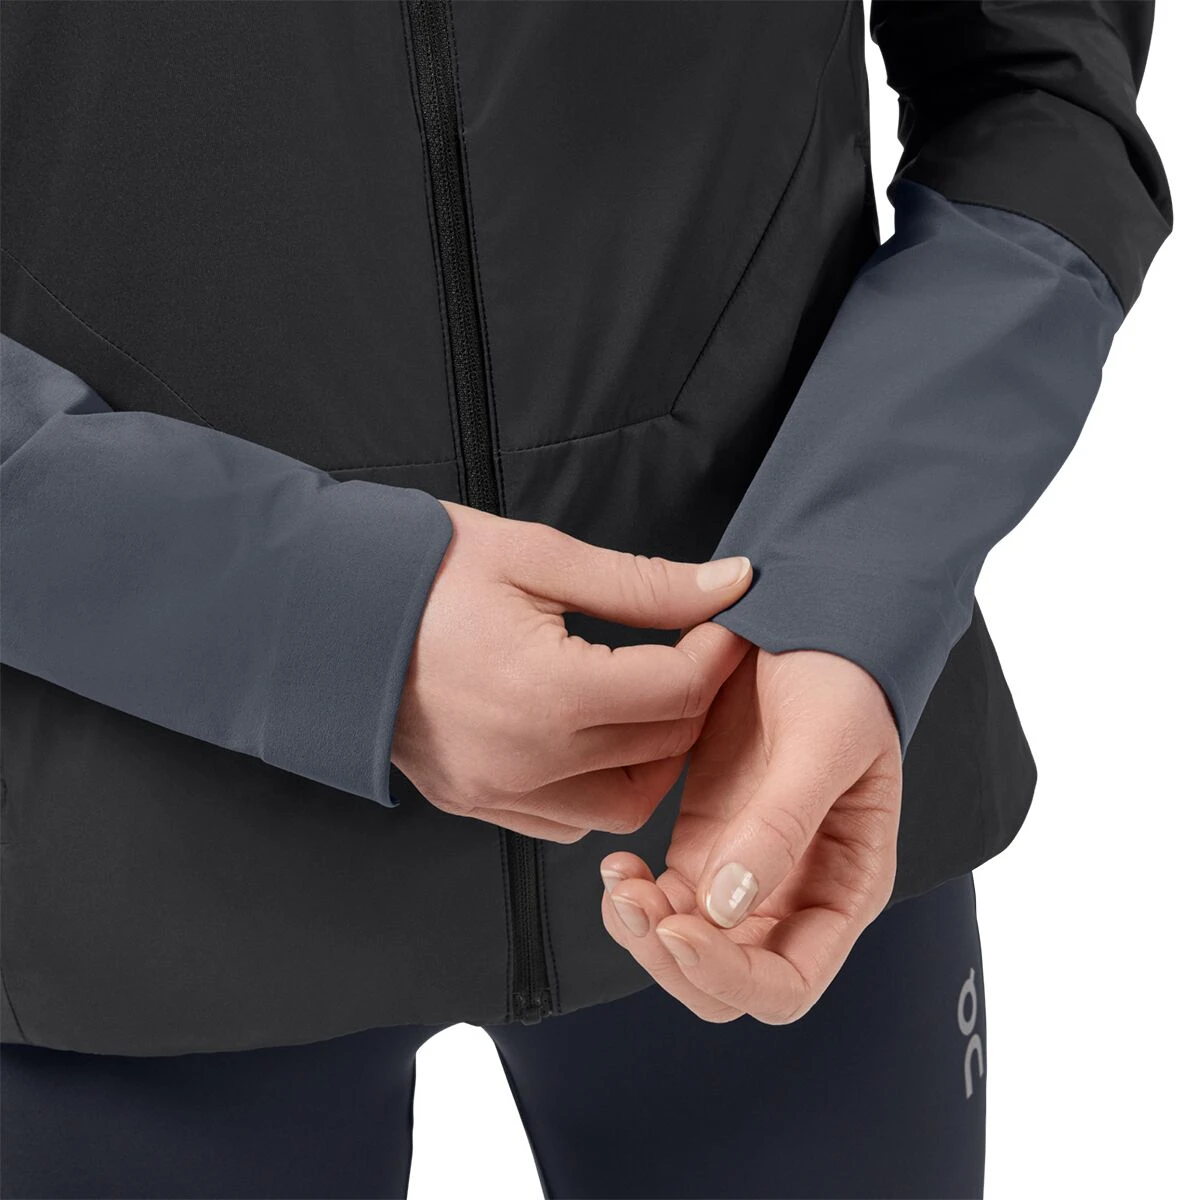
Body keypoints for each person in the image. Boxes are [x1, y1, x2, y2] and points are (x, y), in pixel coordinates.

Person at [0, 2, 1170, 1197]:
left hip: (780, 781)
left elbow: (1042, 88)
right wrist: (321, 618)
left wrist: (854, 574)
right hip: (98, 850)